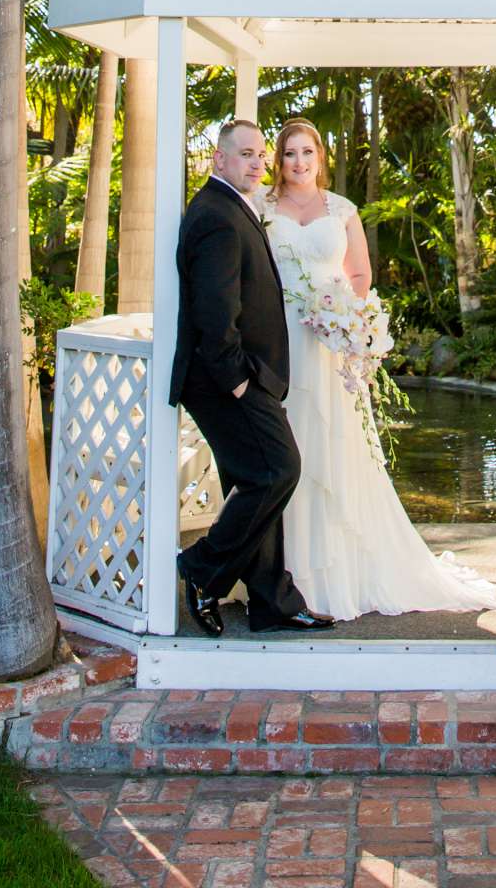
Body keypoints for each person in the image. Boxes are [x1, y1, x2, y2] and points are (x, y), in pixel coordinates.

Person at [264, 117, 496, 621]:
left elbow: (361, 274)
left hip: (329, 347)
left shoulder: (341, 209)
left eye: (307, 152)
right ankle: (275, 574)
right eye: (289, 153)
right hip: (278, 340)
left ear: (320, 157)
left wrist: (347, 320)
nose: (299, 162)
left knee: (334, 447)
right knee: (283, 448)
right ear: (278, 160)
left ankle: (338, 572)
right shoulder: (262, 208)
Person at [167, 117, 334, 638]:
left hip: (241, 374)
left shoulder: (232, 207)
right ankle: (200, 568)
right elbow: (216, 313)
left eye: (262, 154)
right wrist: (239, 381)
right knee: (278, 469)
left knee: (255, 479)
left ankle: (272, 604)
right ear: (218, 159)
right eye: (245, 154)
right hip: (225, 378)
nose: (258, 162)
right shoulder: (216, 215)